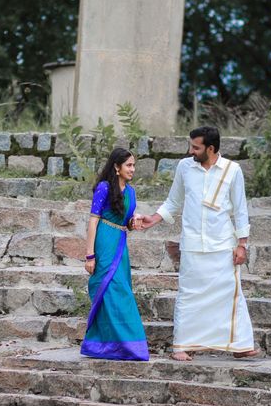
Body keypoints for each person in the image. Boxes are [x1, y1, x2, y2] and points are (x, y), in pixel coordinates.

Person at [135, 126, 260, 361]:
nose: (191, 151)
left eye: (196, 147)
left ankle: (241, 345)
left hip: (223, 244)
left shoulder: (232, 171)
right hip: (192, 244)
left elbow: (241, 210)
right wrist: (153, 219)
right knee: (188, 295)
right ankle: (181, 346)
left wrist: (242, 244)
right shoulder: (185, 167)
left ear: (210, 148)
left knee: (232, 294)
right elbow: (173, 201)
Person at [80, 148, 150, 361]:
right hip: (104, 243)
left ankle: (121, 345)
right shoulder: (104, 188)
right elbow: (93, 221)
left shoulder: (130, 192)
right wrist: (90, 255)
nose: (133, 169)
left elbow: (126, 223)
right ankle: (111, 345)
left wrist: (133, 222)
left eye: (134, 165)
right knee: (109, 290)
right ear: (117, 167)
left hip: (120, 244)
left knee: (121, 291)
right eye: (129, 165)